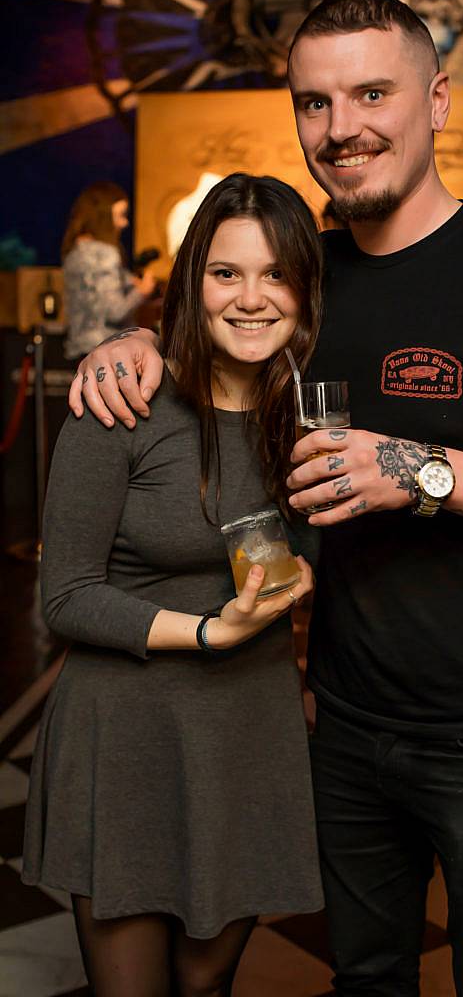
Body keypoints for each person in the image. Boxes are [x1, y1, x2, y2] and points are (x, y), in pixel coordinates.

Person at [68, 0, 463, 997]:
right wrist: (138, 339)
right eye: (314, 102)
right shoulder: (305, 277)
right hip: (343, 722)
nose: (341, 128)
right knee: (366, 976)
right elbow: (218, 338)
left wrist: (422, 473)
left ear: (436, 99)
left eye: (371, 93)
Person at [23, 173, 324, 996]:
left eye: (275, 275)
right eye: (226, 273)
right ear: (192, 283)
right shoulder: (123, 400)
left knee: (208, 987)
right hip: (128, 735)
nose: (252, 298)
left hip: (248, 733)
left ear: (304, 289)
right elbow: (67, 594)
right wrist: (205, 632)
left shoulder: (308, 416)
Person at [61, 181, 157, 360]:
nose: (124, 223)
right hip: (109, 352)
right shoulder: (106, 254)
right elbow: (115, 311)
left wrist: (128, 280)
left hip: (80, 351)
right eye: (120, 215)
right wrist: (142, 291)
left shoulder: (74, 251)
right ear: (103, 217)